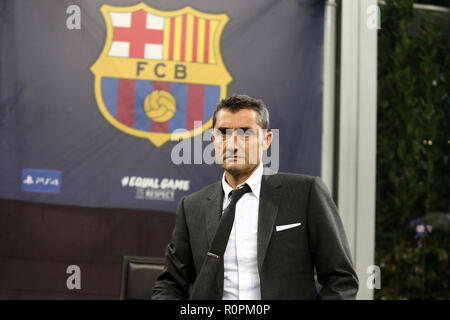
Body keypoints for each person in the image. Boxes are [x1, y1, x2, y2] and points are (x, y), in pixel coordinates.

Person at [152, 94, 359, 300]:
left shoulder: (305, 193)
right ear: (213, 139)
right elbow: (170, 285)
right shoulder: (192, 207)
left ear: (266, 140)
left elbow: (341, 279)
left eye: (245, 133)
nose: (233, 144)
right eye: (223, 133)